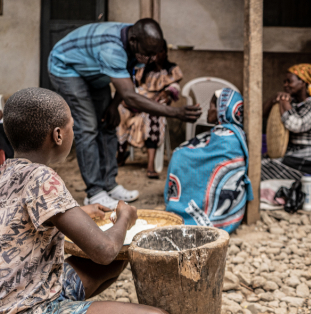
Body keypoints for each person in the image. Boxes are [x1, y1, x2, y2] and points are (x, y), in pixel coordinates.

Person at [0, 87, 167, 314]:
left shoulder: (6, 172)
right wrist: (125, 219)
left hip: (20, 290)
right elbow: (105, 250)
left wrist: (79, 210)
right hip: (25, 308)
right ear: (58, 135)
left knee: (117, 261)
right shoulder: (42, 177)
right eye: (72, 126)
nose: (74, 132)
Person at [48, 18, 201, 209]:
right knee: (88, 128)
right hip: (67, 68)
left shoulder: (139, 44)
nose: (151, 59)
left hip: (94, 73)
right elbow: (130, 96)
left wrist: (113, 106)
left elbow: (126, 81)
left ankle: (109, 185)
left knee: (109, 123)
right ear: (134, 41)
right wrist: (175, 112)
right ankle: (94, 192)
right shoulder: (112, 48)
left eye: (155, 54)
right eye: (148, 54)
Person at [164, 88, 253, 234]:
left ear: (224, 109)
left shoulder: (226, 136)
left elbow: (203, 157)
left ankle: (187, 211)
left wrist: (181, 154)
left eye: (213, 106)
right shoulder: (229, 133)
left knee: (180, 155)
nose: (209, 110)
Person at [117, 40, 182, 179]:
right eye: (153, 53)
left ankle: (150, 165)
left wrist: (167, 92)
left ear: (165, 52)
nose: (156, 55)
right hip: (139, 102)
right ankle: (120, 155)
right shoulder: (144, 69)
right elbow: (135, 86)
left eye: (159, 52)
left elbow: (175, 87)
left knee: (154, 114)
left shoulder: (171, 69)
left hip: (156, 105)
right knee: (120, 110)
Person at [262, 63, 311, 181]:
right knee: (260, 165)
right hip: (295, 156)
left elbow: (296, 125)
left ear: (303, 82)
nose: (285, 85)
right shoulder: (293, 102)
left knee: (261, 169)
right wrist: (275, 98)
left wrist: (284, 103)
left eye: (289, 81)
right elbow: (262, 114)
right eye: (284, 82)